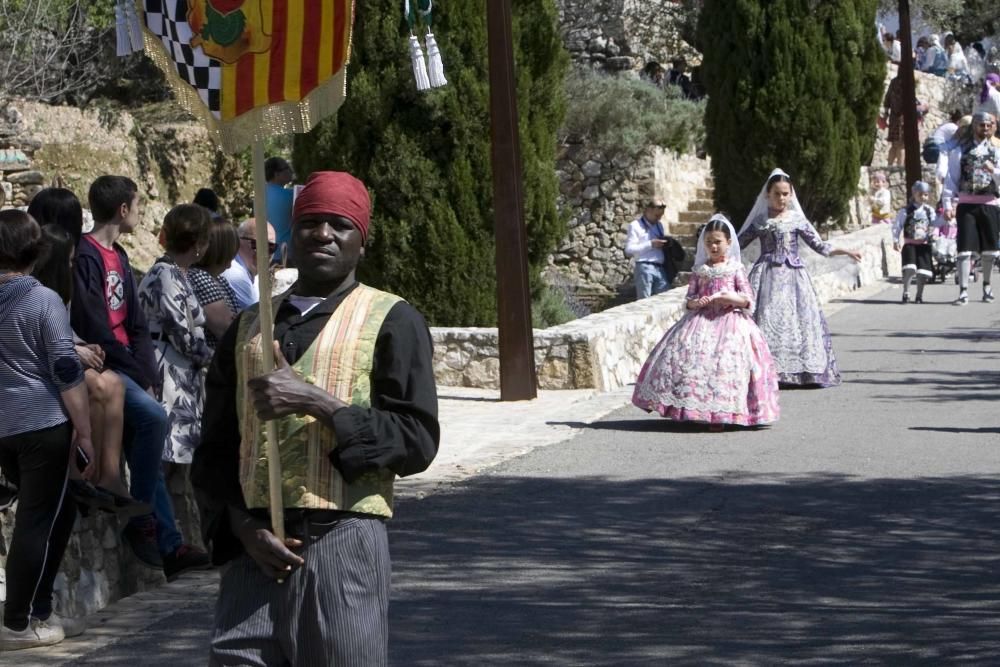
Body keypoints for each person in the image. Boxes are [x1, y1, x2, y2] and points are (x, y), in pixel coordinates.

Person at [192, 171, 440, 665]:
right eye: (310, 223)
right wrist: (241, 528)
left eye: (339, 225)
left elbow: (416, 440)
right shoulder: (250, 325)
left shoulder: (391, 320)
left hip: (343, 543)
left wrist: (316, 402)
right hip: (254, 551)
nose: (323, 234)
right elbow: (217, 446)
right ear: (291, 236)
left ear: (360, 242)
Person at [71, 175, 210, 579]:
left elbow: (133, 323)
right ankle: (141, 518)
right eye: (138, 204)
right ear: (123, 210)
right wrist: (133, 369)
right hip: (105, 364)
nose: (142, 212)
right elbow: (95, 323)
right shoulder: (87, 255)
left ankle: (164, 540)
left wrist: (146, 372)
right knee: (152, 418)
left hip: (129, 365)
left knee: (145, 439)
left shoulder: (121, 256)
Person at [0, 211, 93, 649]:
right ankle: (17, 623)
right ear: (35, 252)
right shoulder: (43, 299)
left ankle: (41, 609)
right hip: (41, 423)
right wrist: (86, 431)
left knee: (62, 510)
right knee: (36, 522)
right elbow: (64, 366)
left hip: (4, 427)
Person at [28, 188, 143, 513]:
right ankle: (81, 476)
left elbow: (60, 321)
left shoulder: (57, 269)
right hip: (42, 361)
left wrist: (79, 344)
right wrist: (75, 350)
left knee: (113, 385)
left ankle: (108, 476)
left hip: (61, 350)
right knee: (94, 386)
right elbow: (41, 328)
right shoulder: (39, 273)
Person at [632, 214, 779, 430]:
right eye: (709, 242)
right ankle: (695, 410)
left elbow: (748, 298)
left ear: (728, 243)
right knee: (688, 360)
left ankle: (721, 414)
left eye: (717, 242)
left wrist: (729, 298)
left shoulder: (735, 269)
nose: (713, 246)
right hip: (700, 322)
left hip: (731, 324)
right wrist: (696, 303)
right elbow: (689, 300)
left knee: (725, 367)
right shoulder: (700, 271)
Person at [738, 168, 862, 387]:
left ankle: (802, 371)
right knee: (767, 318)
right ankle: (768, 370)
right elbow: (738, 245)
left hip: (795, 277)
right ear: (768, 194)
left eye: (786, 193)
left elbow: (820, 246)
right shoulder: (760, 221)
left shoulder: (797, 220)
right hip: (766, 276)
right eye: (777, 193)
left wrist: (846, 251)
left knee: (799, 320)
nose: (782, 198)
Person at [137, 204, 214, 465]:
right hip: (167, 374)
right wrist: (218, 358)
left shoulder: (174, 273)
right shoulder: (165, 275)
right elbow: (184, 337)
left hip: (178, 373)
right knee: (167, 461)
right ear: (198, 243)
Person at [940, 111, 1000, 305]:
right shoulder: (960, 151)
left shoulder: (997, 152)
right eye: (982, 124)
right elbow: (951, 180)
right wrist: (948, 203)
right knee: (964, 250)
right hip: (966, 204)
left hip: (989, 204)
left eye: (989, 125)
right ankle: (963, 291)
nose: (986, 128)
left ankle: (987, 286)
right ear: (974, 126)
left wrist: (994, 171)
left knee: (989, 251)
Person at [189, 217, 240, 349]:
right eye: (228, 257)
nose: (229, 266)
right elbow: (228, 330)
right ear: (219, 253)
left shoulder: (220, 279)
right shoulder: (199, 277)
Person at [624, 199, 685, 300]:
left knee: (663, 300)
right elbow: (629, 249)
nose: (659, 218)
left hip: (660, 267)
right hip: (644, 267)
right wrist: (650, 244)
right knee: (644, 302)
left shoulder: (659, 225)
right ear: (648, 210)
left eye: (661, 216)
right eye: (657, 216)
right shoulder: (635, 226)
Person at [893, 181, 936, 304]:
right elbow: (897, 226)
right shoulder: (906, 211)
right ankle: (906, 292)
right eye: (920, 194)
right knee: (910, 269)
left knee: (922, 272)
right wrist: (896, 240)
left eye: (926, 195)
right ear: (914, 194)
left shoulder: (929, 211)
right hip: (910, 244)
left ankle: (919, 295)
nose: (923, 197)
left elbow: (935, 224)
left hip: (924, 245)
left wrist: (936, 232)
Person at [221, 217, 276, 310]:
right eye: (257, 245)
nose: (264, 253)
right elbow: (257, 317)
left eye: (271, 247)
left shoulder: (255, 273)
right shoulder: (235, 274)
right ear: (238, 241)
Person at [265, 157, 295, 262]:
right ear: (276, 174)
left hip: (266, 253)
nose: (291, 171)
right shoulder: (290, 195)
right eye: (286, 168)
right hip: (285, 254)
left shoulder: (259, 194)